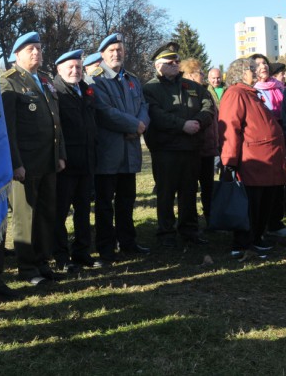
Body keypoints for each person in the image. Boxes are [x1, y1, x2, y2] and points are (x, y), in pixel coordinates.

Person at [0, 31, 66, 285]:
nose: (37, 53)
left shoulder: (46, 80)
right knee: (25, 216)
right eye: (31, 49)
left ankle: (42, 262)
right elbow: (8, 128)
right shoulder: (9, 81)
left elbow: (55, 123)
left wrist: (60, 155)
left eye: (39, 48)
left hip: (48, 160)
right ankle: (27, 268)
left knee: (46, 213)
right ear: (17, 55)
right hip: (25, 164)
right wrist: (15, 163)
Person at [143, 43, 213, 247]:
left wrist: (198, 122)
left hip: (191, 148)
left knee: (189, 191)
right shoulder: (150, 88)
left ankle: (189, 230)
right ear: (158, 66)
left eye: (176, 62)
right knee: (166, 193)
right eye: (170, 62)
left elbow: (208, 106)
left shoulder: (192, 86)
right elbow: (155, 114)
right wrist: (182, 125)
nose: (175, 65)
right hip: (166, 149)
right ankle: (166, 233)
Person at [89, 33, 150, 262]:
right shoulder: (95, 79)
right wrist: (135, 125)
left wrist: (141, 125)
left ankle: (128, 242)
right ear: (103, 54)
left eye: (119, 50)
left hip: (130, 151)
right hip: (108, 152)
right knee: (105, 205)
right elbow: (104, 112)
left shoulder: (131, 78)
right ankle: (106, 248)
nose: (116, 54)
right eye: (111, 51)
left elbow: (143, 105)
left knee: (127, 201)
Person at [220, 58, 286, 256]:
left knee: (262, 204)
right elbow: (230, 128)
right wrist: (230, 161)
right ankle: (242, 244)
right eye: (251, 69)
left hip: (264, 161)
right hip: (251, 162)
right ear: (241, 73)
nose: (256, 71)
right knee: (250, 205)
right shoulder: (235, 93)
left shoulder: (249, 93)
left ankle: (256, 238)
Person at [52, 49, 102, 270]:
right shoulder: (55, 92)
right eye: (70, 67)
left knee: (83, 211)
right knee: (60, 213)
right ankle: (61, 257)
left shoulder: (85, 89)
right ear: (59, 70)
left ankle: (82, 252)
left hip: (87, 160)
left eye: (78, 67)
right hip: (66, 163)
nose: (75, 71)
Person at [249, 54, 286, 238]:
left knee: (279, 182)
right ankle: (261, 224)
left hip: (281, 140)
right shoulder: (252, 91)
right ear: (251, 70)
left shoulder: (280, 88)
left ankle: (276, 222)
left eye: (265, 63)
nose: (263, 67)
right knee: (265, 185)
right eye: (258, 64)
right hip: (262, 143)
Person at [180, 58, 220, 225]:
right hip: (193, 148)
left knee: (208, 186)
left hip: (209, 147)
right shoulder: (184, 93)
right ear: (190, 74)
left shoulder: (205, 92)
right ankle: (191, 221)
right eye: (200, 72)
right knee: (189, 187)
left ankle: (211, 217)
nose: (203, 75)